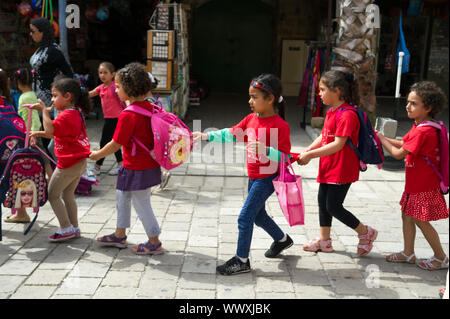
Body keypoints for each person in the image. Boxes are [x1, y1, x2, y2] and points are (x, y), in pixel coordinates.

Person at [193, 74, 296, 276]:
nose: (250, 101)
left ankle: (242, 260)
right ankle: (283, 239)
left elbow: (286, 158)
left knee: (245, 217)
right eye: (250, 96)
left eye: (254, 97)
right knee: (258, 216)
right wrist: (206, 136)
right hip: (254, 176)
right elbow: (231, 133)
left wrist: (266, 150)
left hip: (267, 178)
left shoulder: (280, 126)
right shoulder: (251, 119)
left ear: (270, 99)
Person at [298, 70, 378, 256]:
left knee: (333, 206)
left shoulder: (347, 115)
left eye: (323, 89)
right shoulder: (332, 112)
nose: (319, 93)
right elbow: (324, 137)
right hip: (328, 166)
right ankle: (324, 241)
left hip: (341, 169)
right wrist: (308, 150)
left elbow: (338, 144)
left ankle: (366, 232)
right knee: (322, 202)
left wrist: (311, 156)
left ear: (338, 91)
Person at [90, 62, 163, 255]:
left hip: (136, 167)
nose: (116, 90)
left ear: (128, 89)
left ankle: (154, 241)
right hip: (144, 164)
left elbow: (115, 144)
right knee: (122, 195)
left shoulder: (128, 115)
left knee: (141, 202)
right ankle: (119, 234)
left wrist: (96, 155)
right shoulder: (150, 106)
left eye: (119, 87)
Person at [376, 81, 448, 270]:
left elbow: (398, 154)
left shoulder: (424, 131)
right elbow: (402, 144)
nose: (408, 106)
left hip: (423, 185)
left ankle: (441, 257)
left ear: (428, 107)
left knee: (419, 219)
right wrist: (379, 137)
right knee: (407, 215)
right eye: (408, 102)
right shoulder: (421, 125)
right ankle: (408, 253)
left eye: (414, 103)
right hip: (416, 183)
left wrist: (382, 139)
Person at [29, 77, 91, 242]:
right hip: (79, 162)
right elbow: (57, 132)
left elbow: (50, 131)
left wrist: (43, 110)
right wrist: (37, 133)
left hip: (68, 164)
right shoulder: (74, 112)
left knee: (52, 195)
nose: (53, 100)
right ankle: (74, 227)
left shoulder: (66, 116)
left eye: (55, 96)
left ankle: (65, 227)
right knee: (67, 194)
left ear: (68, 96)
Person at [3, 68, 53, 224]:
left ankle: (51, 183)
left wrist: (27, 133)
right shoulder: (26, 96)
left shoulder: (22, 98)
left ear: (16, 82)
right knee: (42, 161)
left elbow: (23, 117)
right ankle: (51, 182)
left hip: (27, 135)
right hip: (29, 135)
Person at [88, 62, 124, 176]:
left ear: (112, 74)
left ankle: (97, 167)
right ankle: (120, 164)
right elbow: (90, 94)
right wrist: (76, 94)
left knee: (105, 143)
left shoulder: (115, 87)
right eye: (100, 73)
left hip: (117, 119)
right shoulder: (101, 88)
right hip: (109, 119)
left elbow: (124, 100)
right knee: (113, 142)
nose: (102, 75)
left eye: (105, 73)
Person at [144, 72, 170, 190]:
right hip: (152, 133)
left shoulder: (148, 101)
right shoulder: (151, 99)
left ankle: (159, 176)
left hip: (149, 133)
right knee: (152, 156)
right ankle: (160, 176)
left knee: (150, 157)